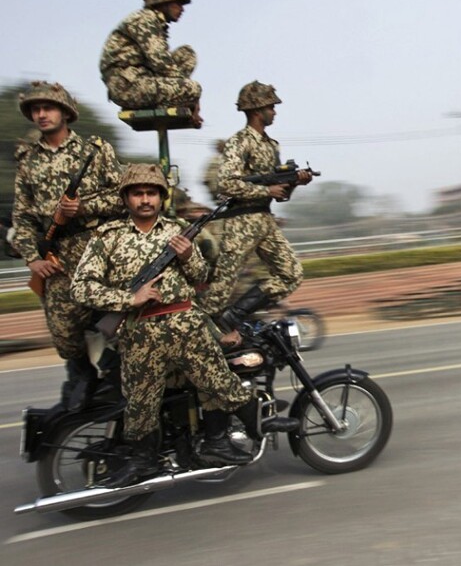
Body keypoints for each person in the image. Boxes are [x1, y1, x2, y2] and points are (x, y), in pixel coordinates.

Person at [71, 164, 298, 488]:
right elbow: (80, 287)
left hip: (184, 322)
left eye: (152, 193)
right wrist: (128, 298)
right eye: (138, 193)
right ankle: (142, 460)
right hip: (139, 331)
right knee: (141, 403)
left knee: (219, 380)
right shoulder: (107, 238)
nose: (145, 199)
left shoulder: (177, 231)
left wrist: (190, 255)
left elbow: (201, 276)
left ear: (161, 197)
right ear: (126, 197)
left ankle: (254, 424)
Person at [12, 81, 125, 410]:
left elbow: (124, 196)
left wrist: (84, 208)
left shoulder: (93, 151)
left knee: (119, 317)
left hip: (97, 251)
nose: (41, 114)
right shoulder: (29, 162)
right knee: (63, 331)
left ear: (65, 112)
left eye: (48, 108)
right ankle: (81, 375)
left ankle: (121, 373)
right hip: (55, 257)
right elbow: (22, 218)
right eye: (36, 109)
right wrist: (33, 259)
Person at [198, 81, 309, 331]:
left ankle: (235, 315)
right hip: (241, 223)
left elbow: (280, 195)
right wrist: (265, 190)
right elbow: (226, 184)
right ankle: (191, 333)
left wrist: (295, 183)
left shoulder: (272, 145)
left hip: (264, 219)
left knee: (291, 274)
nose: (275, 111)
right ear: (258, 110)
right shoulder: (239, 142)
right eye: (271, 106)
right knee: (220, 290)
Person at [99, 0, 202, 126]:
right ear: (163, 2)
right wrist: (194, 100)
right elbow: (161, 62)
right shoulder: (145, 19)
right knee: (193, 89)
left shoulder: (156, 23)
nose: (182, 8)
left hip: (142, 78)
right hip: (127, 86)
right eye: (177, 3)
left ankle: (169, 101)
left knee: (186, 54)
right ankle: (167, 102)